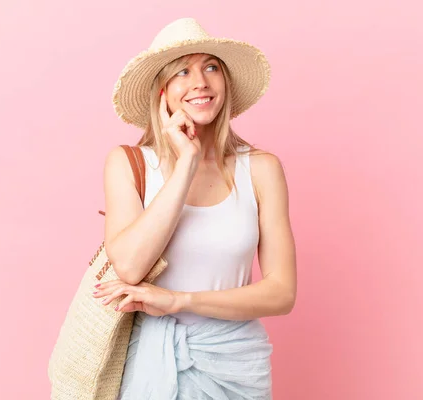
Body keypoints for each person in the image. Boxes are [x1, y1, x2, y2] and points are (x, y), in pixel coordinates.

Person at [92, 17, 297, 399]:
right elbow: (131, 267)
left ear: (225, 83)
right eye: (182, 71)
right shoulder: (129, 163)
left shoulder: (262, 169)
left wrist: (179, 302)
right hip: (150, 363)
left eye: (211, 67)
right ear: (162, 93)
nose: (200, 81)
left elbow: (282, 292)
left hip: (236, 362)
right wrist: (186, 162)